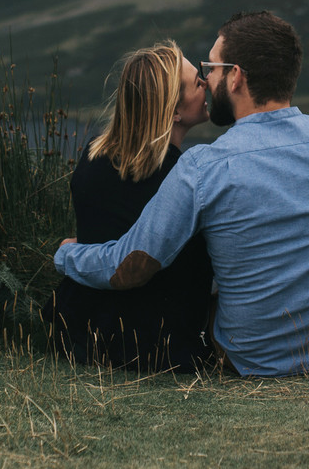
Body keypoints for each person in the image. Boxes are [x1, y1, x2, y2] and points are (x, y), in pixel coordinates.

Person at [55, 11, 309, 377]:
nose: (207, 79)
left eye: (212, 67)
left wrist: (68, 256)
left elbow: (131, 267)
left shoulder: (203, 168)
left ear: (235, 76)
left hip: (250, 360)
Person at [45, 40, 215, 372]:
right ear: (175, 111)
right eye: (197, 82)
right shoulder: (182, 178)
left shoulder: (93, 158)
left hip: (85, 335)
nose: (207, 84)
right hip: (159, 346)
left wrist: (72, 252)